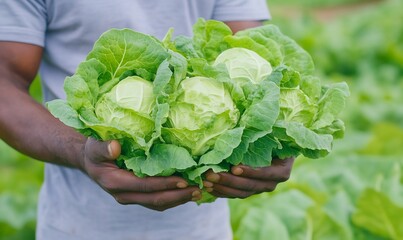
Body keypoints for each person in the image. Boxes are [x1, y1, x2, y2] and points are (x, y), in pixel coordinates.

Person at [0, 1, 294, 239]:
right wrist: (80, 150)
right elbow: (4, 82)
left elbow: (250, 59)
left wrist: (276, 137)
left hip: (203, 229)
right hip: (78, 226)